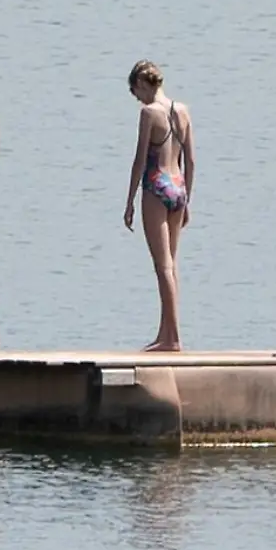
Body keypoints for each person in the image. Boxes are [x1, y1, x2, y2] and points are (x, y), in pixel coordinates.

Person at [124, 59, 195, 352]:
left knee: (162, 265)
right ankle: (165, 332)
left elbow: (140, 160)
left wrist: (129, 201)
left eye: (136, 92)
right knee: (172, 265)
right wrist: (187, 199)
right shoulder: (183, 111)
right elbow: (190, 161)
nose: (138, 99)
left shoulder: (149, 113)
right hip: (178, 187)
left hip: (156, 186)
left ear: (143, 84)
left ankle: (172, 338)